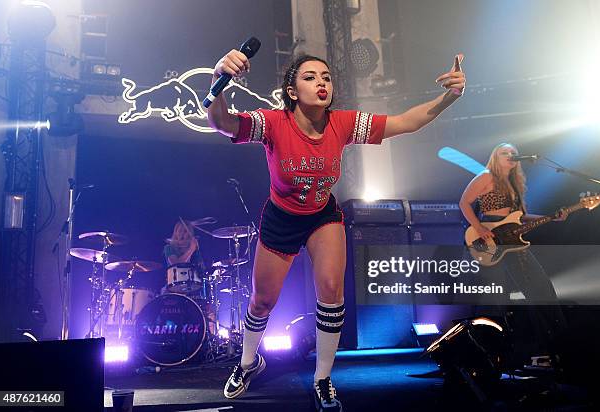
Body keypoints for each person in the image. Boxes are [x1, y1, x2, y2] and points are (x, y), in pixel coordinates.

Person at [207, 49, 466, 411]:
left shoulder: (342, 123)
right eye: (310, 77)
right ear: (292, 91)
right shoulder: (274, 123)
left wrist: (449, 96)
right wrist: (219, 79)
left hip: (321, 214)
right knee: (262, 300)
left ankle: (323, 378)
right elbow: (223, 123)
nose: (322, 82)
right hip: (281, 218)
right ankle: (249, 362)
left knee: (331, 290)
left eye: (326, 77)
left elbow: (407, 121)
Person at [459, 142, 567, 365]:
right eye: (504, 153)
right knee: (493, 298)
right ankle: (485, 355)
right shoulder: (485, 176)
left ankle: (556, 347)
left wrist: (550, 217)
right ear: (495, 157)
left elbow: (519, 217)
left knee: (541, 290)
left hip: (512, 241)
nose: (509, 155)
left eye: (513, 153)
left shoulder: (515, 184)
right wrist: (479, 228)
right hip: (490, 238)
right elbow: (464, 203)